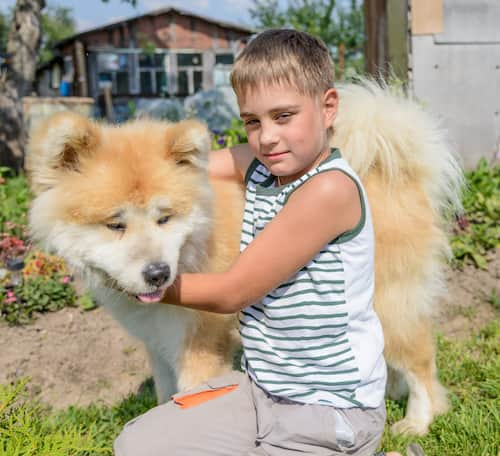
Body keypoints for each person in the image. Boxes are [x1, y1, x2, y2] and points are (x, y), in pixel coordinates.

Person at [114, 29, 406, 456]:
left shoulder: (329, 191)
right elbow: (173, 171)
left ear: (327, 108)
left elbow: (234, 292)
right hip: (262, 392)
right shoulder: (261, 166)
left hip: (330, 410)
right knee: (136, 445)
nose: (267, 136)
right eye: (252, 121)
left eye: (283, 116)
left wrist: (136, 278)